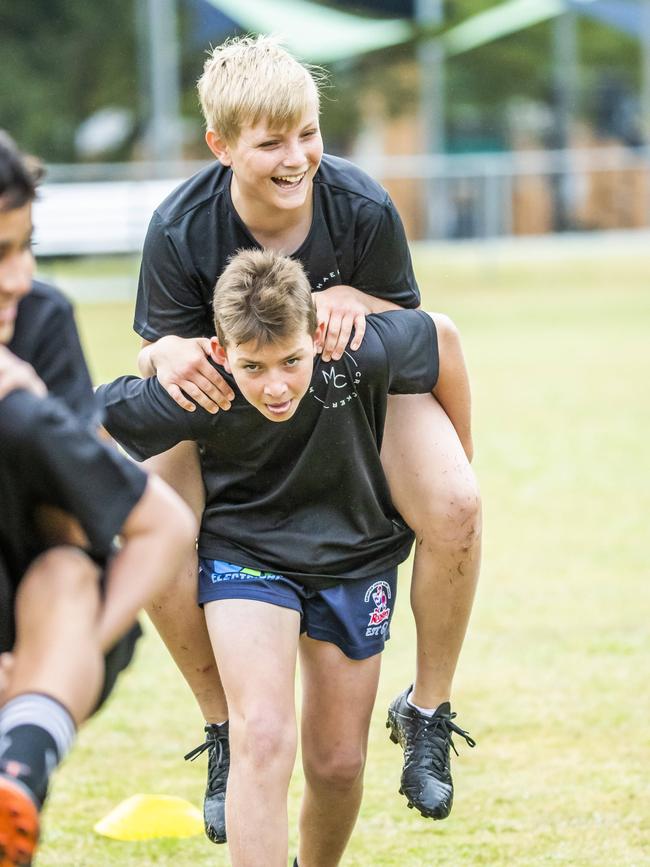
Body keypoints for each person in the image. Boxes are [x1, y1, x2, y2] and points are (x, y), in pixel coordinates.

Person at [134, 35, 482, 839]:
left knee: (459, 502)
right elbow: (161, 355)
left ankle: (427, 709)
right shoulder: (181, 229)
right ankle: (224, 724)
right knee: (147, 519)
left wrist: (362, 299)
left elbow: (417, 337)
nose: (298, 159)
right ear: (221, 146)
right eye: (271, 143)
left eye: (308, 133)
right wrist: (164, 349)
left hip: (352, 387)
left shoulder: (360, 205)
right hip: (233, 408)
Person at [98, 248, 476, 867]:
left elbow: (444, 340)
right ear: (220, 352)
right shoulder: (199, 389)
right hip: (246, 558)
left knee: (337, 764)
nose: (275, 385)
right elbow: (75, 423)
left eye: (291, 361)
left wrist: (460, 455)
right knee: (263, 737)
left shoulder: (360, 349)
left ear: (316, 335)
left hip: (354, 555)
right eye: (253, 366)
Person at [0, 131, 198, 867]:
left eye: (25, 247)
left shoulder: (39, 329)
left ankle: (19, 763)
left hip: (42, 620)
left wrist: (33, 666)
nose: (19, 277)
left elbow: (98, 532)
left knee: (67, 569)